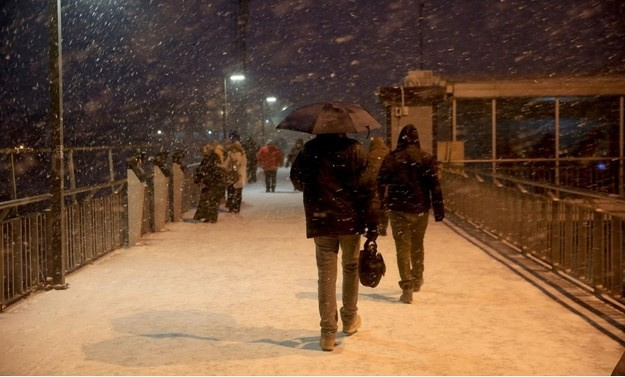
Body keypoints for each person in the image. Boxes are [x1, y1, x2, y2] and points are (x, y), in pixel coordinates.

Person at [290, 133, 379, 352]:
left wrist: (318, 185)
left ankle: (327, 332)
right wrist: (373, 222)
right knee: (350, 267)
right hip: (350, 219)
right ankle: (349, 318)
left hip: (322, 219)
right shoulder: (356, 150)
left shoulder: (309, 150)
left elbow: (297, 179)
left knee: (326, 276)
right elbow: (368, 186)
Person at [376, 124, 444, 304]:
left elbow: (381, 183)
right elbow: (434, 186)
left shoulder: (391, 158)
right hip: (420, 209)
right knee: (417, 244)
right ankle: (417, 277)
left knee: (402, 248)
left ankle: (406, 286)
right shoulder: (426, 159)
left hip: (398, 210)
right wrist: (438, 210)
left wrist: (382, 205)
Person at [193, 144, 226, 223]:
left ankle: (209, 216)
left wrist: (199, 178)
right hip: (212, 182)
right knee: (212, 200)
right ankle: (211, 216)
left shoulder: (209, 159)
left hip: (211, 182)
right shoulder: (213, 158)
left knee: (209, 199)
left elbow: (204, 169)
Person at [365, 136, 390, 235]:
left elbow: (366, 171)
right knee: (385, 205)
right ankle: (383, 226)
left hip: (373, 183)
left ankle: (374, 226)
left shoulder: (370, 155)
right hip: (386, 183)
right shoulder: (389, 154)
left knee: (374, 204)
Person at [224, 140, 247, 213]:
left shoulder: (229, 153)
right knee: (238, 192)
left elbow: (225, 165)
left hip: (231, 175)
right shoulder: (243, 154)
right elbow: (244, 164)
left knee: (230, 191)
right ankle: (236, 208)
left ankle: (231, 207)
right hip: (240, 174)